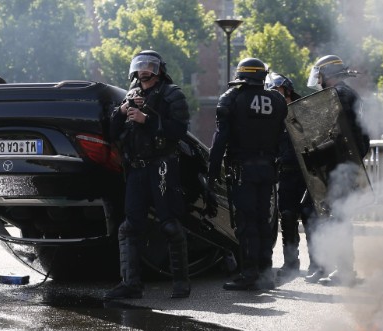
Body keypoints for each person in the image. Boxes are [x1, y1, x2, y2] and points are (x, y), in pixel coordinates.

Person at [104, 50, 192, 300]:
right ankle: (131, 284)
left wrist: (148, 119)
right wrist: (122, 112)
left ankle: (181, 283)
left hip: (162, 165)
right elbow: (112, 133)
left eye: (149, 66)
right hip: (137, 169)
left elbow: (179, 130)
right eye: (140, 66)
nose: (144, 70)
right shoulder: (131, 95)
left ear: (159, 70)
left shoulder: (172, 94)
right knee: (129, 227)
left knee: (170, 225)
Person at [208, 58, 288, 291]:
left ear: (241, 76)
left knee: (245, 222)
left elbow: (220, 140)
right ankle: (265, 273)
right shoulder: (277, 100)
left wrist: (212, 175)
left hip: (242, 170)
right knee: (264, 220)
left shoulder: (231, 98)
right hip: (268, 170)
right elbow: (284, 137)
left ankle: (249, 273)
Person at [304, 55, 371, 286]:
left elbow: (340, 138)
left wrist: (316, 155)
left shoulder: (339, 96)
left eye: (321, 76)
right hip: (345, 165)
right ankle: (337, 268)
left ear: (329, 75)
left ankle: (344, 271)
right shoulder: (350, 95)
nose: (319, 80)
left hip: (341, 166)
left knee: (339, 218)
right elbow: (361, 139)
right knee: (336, 216)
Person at [264, 72, 317, 279]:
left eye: (276, 90)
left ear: (285, 89)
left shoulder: (303, 110)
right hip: (285, 174)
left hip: (306, 173)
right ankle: (291, 263)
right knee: (286, 217)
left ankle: (317, 264)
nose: (274, 95)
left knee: (310, 218)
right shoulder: (273, 115)